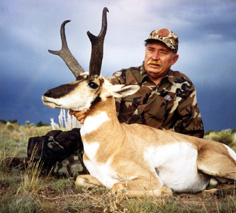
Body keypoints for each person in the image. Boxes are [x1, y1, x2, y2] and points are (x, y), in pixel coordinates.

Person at [7, 28, 204, 176]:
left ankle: (35, 167)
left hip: (146, 150)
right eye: (151, 49)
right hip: (110, 139)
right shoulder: (123, 77)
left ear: (174, 58)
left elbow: (194, 134)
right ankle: (30, 160)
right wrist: (81, 111)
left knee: (77, 167)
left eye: (163, 52)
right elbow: (91, 94)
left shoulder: (183, 86)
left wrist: (191, 161)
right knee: (63, 141)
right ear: (145, 50)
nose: (154, 56)